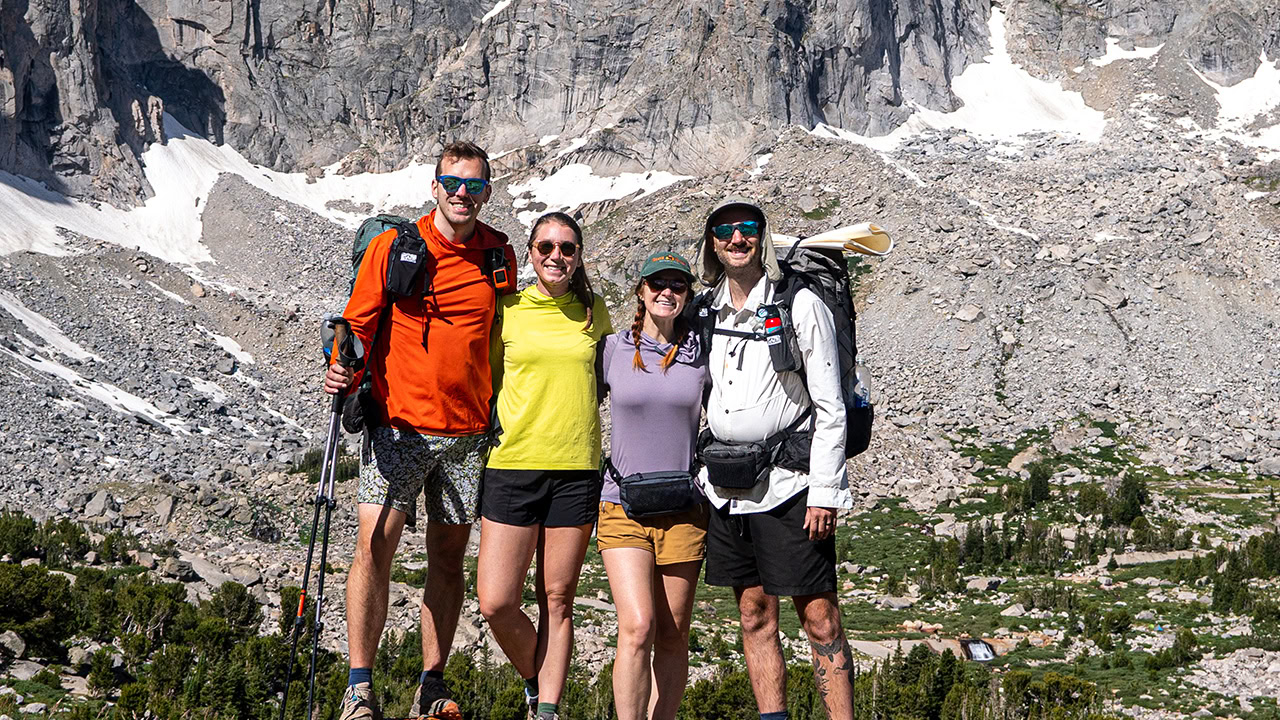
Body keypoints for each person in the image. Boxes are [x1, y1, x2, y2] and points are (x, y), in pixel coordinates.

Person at [323, 141, 516, 720]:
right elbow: (356, 325)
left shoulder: (498, 254)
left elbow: (506, 332)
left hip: (468, 435)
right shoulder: (394, 247)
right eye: (453, 183)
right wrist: (341, 368)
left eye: (475, 185)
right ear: (434, 186)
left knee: (448, 558)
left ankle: (431, 684)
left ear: (487, 191)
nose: (463, 193)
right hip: (399, 428)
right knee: (374, 549)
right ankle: (360, 686)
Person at [694, 198, 857, 720]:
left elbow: (831, 405)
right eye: (724, 231)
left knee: (820, 616)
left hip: (790, 487)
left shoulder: (799, 303)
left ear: (762, 237)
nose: (735, 240)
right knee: (753, 613)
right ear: (711, 243)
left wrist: (825, 492)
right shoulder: (705, 309)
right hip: (727, 489)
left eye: (746, 230)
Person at [476, 212, 613, 720]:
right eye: (546, 247)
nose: (556, 256)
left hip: (577, 469)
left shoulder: (593, 312)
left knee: (558, 598)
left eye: (568, 248)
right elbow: (485, 381)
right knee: (495, 600)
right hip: (511, 464)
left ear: (578, 256)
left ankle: (548, 709)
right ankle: (538, 679)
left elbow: (608, 379)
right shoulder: (507, 308)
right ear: (531, 253)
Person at [597, 251, 709, 720]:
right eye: (657, 283)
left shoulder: (703, 353)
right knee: (638, 626)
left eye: (678, 285)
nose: (667, 292)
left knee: (673, 633)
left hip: (683, 509)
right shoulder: (611, 349)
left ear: (687, 295)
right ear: (640, 291)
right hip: (621, 504)